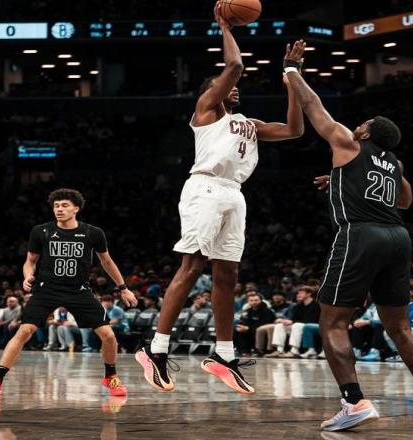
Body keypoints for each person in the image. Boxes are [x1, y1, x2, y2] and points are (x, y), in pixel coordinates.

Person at [283, 40, 413, 431]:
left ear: (365, 132)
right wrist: (343, 178)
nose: (358, 125)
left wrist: (292, 71)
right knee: (401, 327)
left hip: (361, 235)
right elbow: (405, 200)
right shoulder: (394, 162)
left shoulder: (348, 141)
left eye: (363, 123)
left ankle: (354, 402)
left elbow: (313, 106)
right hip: (398, 237)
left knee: (332, 321)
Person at [135, 2, 304, 395]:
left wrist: (292, 80)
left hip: (234, 193)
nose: (235, 87)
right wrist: (225, 27)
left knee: (228, 274)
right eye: (226, 84)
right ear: (212, 92)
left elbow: (295, 130)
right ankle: (155, 349)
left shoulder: (250, 124)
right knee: (192, 266)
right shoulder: (207, 112)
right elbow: (236, 66)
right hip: (205, 188)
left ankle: (223, 355)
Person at [0, 188, 137, 401]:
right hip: (47, 289)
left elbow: (107, 262)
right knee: (24, 330)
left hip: (79, 290)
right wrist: (28, 276)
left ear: (76, 208)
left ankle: (111, 376)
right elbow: (30, 261)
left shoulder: (93, 233)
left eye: (65, 205)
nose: (59, 209)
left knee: (109, 335)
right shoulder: (41, 231)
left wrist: (123, 288)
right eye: (56, 206)